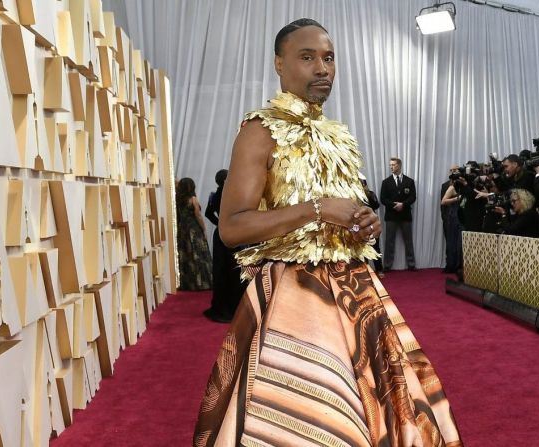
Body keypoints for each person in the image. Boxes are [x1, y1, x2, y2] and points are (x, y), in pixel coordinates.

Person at [193, 18, 461, 447]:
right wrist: (317, 210)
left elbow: (343, 215)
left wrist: (362, 223)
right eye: (307, 57)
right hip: (292, 297)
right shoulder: (259, 131)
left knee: (381, 408)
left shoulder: (339, 136)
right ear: (279, 64)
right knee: (307, 415)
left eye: (329, 58)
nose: (323, 68)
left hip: (357, 289)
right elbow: (232, 227)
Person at [202, 169, 245, 323]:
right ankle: (234, 307)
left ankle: (222, 306)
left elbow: (207, 213)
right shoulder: (235, 195)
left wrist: (219, 224)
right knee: (234, 269)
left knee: (220, 269)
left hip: (220, 235)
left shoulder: (214, 196)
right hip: (233, 234)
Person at [379, 157, 418, 271]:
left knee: (408, 240)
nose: (391, 167)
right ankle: (387, 265)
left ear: (399, 165)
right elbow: (383, 199)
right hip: (391, 216)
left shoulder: (409, 181)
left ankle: (411, 264)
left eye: (394, 165)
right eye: (390, 165)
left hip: (405, 215)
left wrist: (403, 205)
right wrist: (394, 205)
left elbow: (413, 197)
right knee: (389, 241)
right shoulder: (386, 182)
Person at [176, 177, 212, 290]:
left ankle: (188, 284)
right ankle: (201, 283)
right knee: (199, 255)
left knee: (186, 256)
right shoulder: (193, 199)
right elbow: (198, 215)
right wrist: (204, 229)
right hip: (194, 230)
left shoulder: (177, 200)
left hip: (183, 230)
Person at [362, 178, 384, 277]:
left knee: (375, 248)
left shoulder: (370, 193)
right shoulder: (353, 196)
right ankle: (365, 271)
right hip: (360, 226)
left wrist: (368, 194)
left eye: (362, 184)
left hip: (372, 224)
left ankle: (379, 270)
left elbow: (376, 205)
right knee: (362, 249)